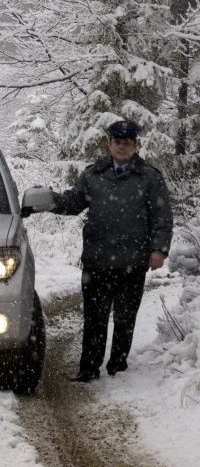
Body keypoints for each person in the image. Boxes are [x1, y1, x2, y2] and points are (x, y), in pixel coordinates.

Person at [33, 120, 173, 382]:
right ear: (109, 144)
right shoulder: (93, 175)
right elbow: (73, 203)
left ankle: (118, 366)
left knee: (124, 319)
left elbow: (162, 216)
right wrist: (47, 200)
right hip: (98, 260)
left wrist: (159, 250)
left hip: (133, 261)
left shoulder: (149, 178)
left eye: (127, 143)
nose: (122, 147)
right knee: (94, 319)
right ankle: (88, 368)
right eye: (117, 142)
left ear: (135, 146)